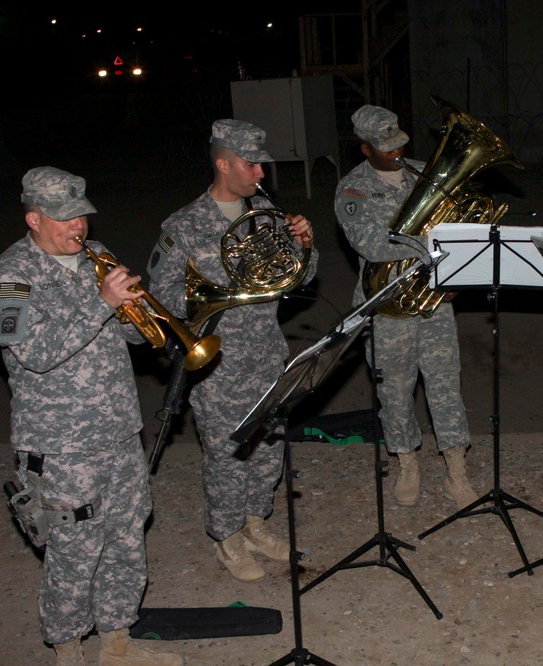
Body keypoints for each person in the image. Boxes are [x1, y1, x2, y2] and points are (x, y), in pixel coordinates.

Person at [0, 167, 184, 665]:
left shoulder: (97, 258)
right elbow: (34, 353)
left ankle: (116, 641)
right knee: (73, 550)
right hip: (61, 444)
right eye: (65, 219)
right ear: (34, 218)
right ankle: (67, 650)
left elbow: (131, 336)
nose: (79, 228)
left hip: (118, 430)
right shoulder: (8, 281)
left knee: (127, 537)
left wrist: (139, 313)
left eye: (82, 216)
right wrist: (101, 303)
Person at [146, 120, 318, 583]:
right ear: (224, 163)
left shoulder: (265, 211)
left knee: (269, 444)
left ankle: (255, 522)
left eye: (262, 162)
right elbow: (159, 299)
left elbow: (296, 274)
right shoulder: (182, 225)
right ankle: (226, 537)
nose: (261, 172)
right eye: (251, 162)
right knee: (227, 454)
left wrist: (305, 245)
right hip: (218, 362)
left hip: (268, 351)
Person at [333, 104, 477, 510]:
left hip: (432, 301)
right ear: (365, 149)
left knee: (446, 382)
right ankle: (408, 464)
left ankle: (456, 469)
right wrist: (428, 245)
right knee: (394, 389)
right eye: (385, 147)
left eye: (398, 143)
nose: (395, 152)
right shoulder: (352, 189)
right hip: (386, 306)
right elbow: (372, 245)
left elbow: (459, 228)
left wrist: (453, 273)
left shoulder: (424, 173)